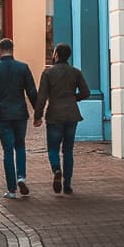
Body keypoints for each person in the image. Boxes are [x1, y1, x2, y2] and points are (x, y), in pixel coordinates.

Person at [0, 37, 38, 199]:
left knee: (7, 150)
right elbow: (32, 91)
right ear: (12, 49)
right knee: (20, 146)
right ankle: (21, 177)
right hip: (20, 113)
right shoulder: (23, 68)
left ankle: (11, 189)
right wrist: (38, 113)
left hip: (3, 115)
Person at [34, 43, 90, 195]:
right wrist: (74, 98)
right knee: (68, 150)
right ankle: (68, 185)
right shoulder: (75, 72)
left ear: (56, 55)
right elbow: (86, 92)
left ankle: (56, 170)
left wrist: (37, 116)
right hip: (72, 114)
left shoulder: (48, 73)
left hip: (54, 115)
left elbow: (41, 97)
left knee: (53, 148)